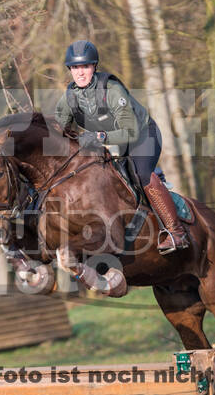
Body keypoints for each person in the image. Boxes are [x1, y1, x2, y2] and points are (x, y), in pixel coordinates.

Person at [55, 39, 189, 253]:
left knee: (141, 174)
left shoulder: (112, 89)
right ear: (70, 70)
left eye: (85, 67)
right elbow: (58, 134)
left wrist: (98, 136)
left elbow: (131, 132)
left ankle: (177, 232)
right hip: (115, 144)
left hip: (143, 136)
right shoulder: (69, 98)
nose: (80, 73)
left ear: (94, 67)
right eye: (75, 68)